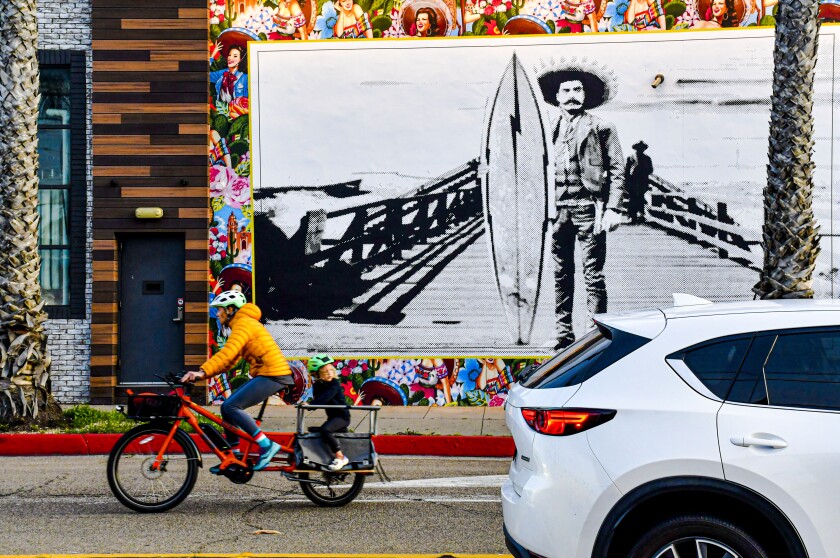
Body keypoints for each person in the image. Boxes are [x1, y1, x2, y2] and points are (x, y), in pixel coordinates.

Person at [537, 62, 627, 350]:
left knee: (593, 272)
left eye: (578, 90)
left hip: (589, 207)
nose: (572, 95)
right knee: (561, 271)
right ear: (557, 96)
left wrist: (613, 209)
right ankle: (563, 332)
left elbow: (617, 170)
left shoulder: (602, 127)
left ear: (586, 95)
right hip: (557, 210)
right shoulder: (546, 128)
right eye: (566, 90)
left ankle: (595, 334)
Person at [181, 291, 294, 472]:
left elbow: (228, 352)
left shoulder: (243, 324)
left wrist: (202, 372)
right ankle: (233, 457)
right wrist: (205, 374)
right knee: (227, 408)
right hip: (268, 373)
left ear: (231, 309)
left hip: (273, 374)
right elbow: (229, 361)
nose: (217, 314)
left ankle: (267, 445)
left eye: (219, 310)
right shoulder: (242, 324)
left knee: (231, 407)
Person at [307, 354, 351, 471]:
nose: (330, 373)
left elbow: (326, 397)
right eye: (326, 372)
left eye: (331, 370)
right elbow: (318, 397)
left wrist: (311, 405)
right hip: (332, 417)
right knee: (314, 430)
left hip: (342, 417)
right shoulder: (318, 385)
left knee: (325, 430)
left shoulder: (334, 384)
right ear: (317, 374)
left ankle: (340, 456)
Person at [625, 140, 654, 224]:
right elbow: (627, 171)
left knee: (640, 198)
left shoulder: (647, 158)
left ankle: (641, 216)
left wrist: (642, 171)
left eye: (641, 148)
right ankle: (633, 216)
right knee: (633, 199)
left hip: (642, 182)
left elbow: (650, 170)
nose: (640, 150)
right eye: (639, 148)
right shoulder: (631, 158)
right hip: (633, 182)